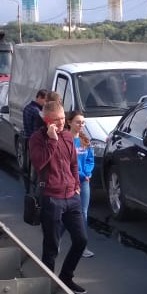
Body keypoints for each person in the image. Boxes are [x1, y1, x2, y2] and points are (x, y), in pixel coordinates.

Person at [28, 97, 88, 294]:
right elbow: (39, 163)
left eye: (63, 118)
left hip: (71, 196)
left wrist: (76, 185)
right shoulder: (37, 139)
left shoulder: (69, 137)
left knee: (81, 240)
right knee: (51, 245)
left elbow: (73, 163)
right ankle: (48, 285)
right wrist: (52, 140)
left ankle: (66, 277)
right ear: (47, 121)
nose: (61, 123)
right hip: (51, 197)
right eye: (56, 120)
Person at [66, 110, 95, 258]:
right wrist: (82, 175)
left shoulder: (85, 140)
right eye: (78, 122)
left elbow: (90, 159)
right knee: (64, 212)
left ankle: (82, 246)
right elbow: (67, 164)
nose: (81, 125)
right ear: (69, 122)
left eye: (83, 122)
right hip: (70, 181)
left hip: (84, 183)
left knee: (83, 213)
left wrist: (88, 173)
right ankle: (54, 241)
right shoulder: (65, 140)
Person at [20, 88, 48, 194]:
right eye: (45, 100)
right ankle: (34, 189)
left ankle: (29, 189)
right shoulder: (36, 111)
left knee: (29, 164)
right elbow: (36, 129)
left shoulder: (27, 107)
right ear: (39, 97)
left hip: (27, 139)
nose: (45, 103)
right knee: (36, 167)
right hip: (34, 141)